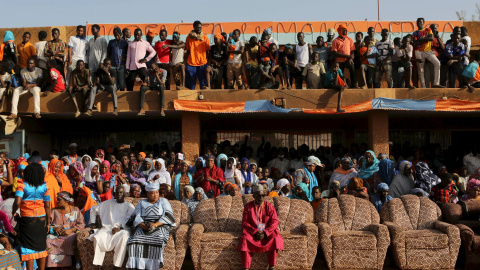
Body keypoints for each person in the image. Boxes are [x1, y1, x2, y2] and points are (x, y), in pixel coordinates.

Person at [126, 182, 176, 270]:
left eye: (157, 192)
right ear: (147, 194)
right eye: (152, 193)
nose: (155, 195)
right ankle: (138, 267)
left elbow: (168, 215)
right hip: (144, 226)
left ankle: (152, 267)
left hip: (160, 225)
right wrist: (143, 225)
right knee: (134, 240)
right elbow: (136, 216)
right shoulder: (142, 202)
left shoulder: (163, 201)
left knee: (157, 240)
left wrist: (155, 224)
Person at [13, 163, 51, 270]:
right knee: (41, 247)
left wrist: (13, 211)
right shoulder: (44, 186)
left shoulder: (22, 185)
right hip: (42, 219)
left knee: (28, 247)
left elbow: (17, 202)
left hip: (27, 220)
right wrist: (48, 223)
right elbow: (47, 206)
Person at [238, 185, 284, 270]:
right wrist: (255, 231)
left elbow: (274, 221)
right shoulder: (248, 206)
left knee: (275, 237)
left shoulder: (269, 206)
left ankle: (272, 266)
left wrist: (266, 233)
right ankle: (246, 267)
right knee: (245, 239)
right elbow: (245, 223)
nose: (261, 198)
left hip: (267, 232)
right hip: (252, 232)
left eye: (263, 195)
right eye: (259, 196)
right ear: (254, 196)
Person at [90, 186, 135, 268]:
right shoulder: (108, 203)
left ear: (125, 194)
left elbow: (130, 220)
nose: (119, 194)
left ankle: (117, 265)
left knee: (124, 237)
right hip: (107, 228)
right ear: (114, 194)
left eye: (121, 192)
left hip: (122, 230)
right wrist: (93, 223)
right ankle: (98, 265)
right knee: (97, 237)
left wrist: (120, 228)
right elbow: (93, 209)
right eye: (117, 192)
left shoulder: (129, 206)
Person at [46, 191, 85, 268]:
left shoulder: (76, 210)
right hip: (56, 235)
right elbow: (47, 224)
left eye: (59, 200)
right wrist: (54, 228)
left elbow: (82, 224)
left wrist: (71, 230)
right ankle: (53, 266)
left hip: (70, 234)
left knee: (68, 240)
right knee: (48, 240)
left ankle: (66, 266)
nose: (57, 201)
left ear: (66, 201)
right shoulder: (54, 211)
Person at [412, 18, 444, 88]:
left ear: (423, 23)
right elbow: (415, 43)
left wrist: (421, 39)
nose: (419, 23)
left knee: (437, 63)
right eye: (418, 22)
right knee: (420, 70)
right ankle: (423, 86)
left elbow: (431, 38)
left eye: (420, 22)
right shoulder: (415, 33)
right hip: (419, 52)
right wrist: (426, 38)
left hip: (428, 51)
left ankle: (436, 83)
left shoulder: (428, 30)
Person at [184, 21, 210, 90]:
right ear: (194, 27)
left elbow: (208, 51)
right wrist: (186, 63)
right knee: (190, 85)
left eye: (200, 27)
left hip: (202, 63)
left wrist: (208, 63)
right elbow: (188, 51)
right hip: (191, 63)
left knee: (204, 84)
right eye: (197, 27)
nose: (199, 28)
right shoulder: (189, 38)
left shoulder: (205, 37)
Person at [107, 27, 128, 92]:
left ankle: (120, 100)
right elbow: (108, 54)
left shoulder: (125, 42)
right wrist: (109, 64)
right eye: (115, 34)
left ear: (121, 34)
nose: (116, 36)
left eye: (118, 34)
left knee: (122, 84)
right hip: (113, 66)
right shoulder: (111, 42)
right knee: (114, 85)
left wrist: (125, 59)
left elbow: (128, 54)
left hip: (121, 66)